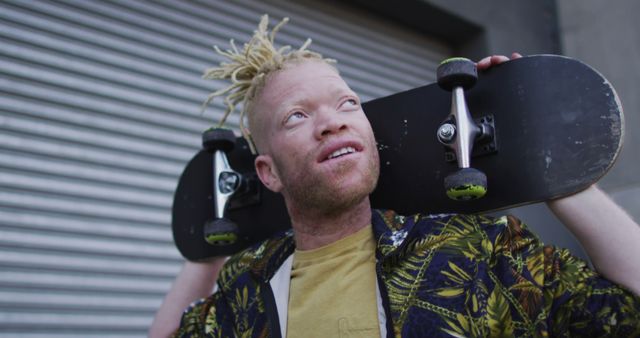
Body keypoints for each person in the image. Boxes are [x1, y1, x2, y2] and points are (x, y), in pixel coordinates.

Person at [150, 16, 640, 337]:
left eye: (347, 103)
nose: (332, 121)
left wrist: (553, 167)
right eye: (297, 116)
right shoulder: (248, 282)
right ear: (267, 172)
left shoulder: (472, 247)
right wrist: (209, 237)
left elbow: (627, 313)